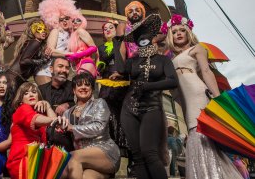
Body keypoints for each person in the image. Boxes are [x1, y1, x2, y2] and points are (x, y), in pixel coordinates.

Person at [163, 13, 243, 179]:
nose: (178, 33)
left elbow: (206, 72)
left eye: (182, 30)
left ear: (188, 32)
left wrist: (219, 98)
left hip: (197, 92)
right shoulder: (170, 58)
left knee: (199, 132)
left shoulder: (197, 49)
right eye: (175, 31)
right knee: (193, 133)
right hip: (183, 98)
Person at [116, 15, 178, 179]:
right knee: (137, 157)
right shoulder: (133, 61)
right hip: (129, 109)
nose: (142, 38)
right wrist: (118, 44)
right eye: (138, 36)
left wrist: (148, 86)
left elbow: (173, 82)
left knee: (149, 153)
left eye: (145, 34)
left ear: (152, 36)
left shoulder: (163, 60)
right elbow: (121, 69)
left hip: (152, 108)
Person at [62, 73, 121, 179]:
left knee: (71, 157)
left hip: (104, 152)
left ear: (92, 89)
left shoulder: (100, 103)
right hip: (83, 160)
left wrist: (72, 128)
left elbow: (99, 127)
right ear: (74, 90)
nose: (83, 87)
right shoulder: (67, 113)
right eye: (79, 85)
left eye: (87, 85)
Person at [6, 82, 66, 179]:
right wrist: (54, 120)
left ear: (38, 96)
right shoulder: (22, 109)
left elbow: (56, 129)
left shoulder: (40, 113)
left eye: (34, 92)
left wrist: (47, 106)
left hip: (37, 159)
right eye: (26, 93)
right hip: (22, 160)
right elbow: (37, 119)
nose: (31, 95)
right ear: (20, 100)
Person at [96, 19, 129, 156]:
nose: (108, 29)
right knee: (107, 112)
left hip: (122, 80)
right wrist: (100, 67)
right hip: (106, 82)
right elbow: (99, 64)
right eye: (105, 29)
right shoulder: (101, 48)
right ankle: (110, 143)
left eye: (111, 27)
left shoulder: (123, 44)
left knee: (123, 113)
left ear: (116, 30)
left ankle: (124, 147)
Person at [35, 0, 76, 85]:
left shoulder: (71, 35)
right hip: (46, 71)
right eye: (61, 20)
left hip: (60, 71)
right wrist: (70, 54)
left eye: (67, 18)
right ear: (55, 21)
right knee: (48, 98)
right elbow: (51, 51)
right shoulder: (56, 31)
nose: (64, 21)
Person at [6, 18, 51, 93]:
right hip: (13, 78)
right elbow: (23, 61)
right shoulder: (35, 42)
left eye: (44, 29)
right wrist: (43, 60)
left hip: (15, 78)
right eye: (39, 29)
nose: (43, 32)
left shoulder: (31, 43)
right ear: (33, 30)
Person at [66, 12, 97, 77]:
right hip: (79, 65)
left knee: (84, 86)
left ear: (82, 22)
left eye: (78, 20)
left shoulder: (81, 31)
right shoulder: (73, 35)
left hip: (86, 63)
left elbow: (94, 48)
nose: (75, 22)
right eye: (73, 21)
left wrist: (78, 55)